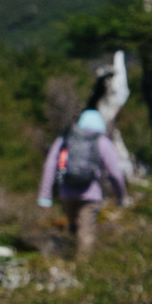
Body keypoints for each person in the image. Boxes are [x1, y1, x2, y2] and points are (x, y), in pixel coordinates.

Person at [40, 105, 134, 259]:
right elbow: (115, 172)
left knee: (72, 226)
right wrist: (121, 196)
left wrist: (45, 197)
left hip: (66, 192)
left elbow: (50, 165)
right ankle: (83, 269)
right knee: (86, 231)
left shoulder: (66, 138)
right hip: (90, 193)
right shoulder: (102, 141)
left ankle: (68, 257)